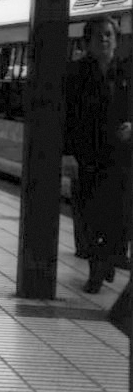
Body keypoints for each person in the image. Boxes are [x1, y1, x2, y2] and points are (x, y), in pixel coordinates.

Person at [64, 15, 132, 294]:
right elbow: (66, 117)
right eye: (98, 35)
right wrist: (67, 154)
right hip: (87, 156)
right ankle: (96, 270)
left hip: (122, 156)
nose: (104, 39)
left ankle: (110, 257)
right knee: (89, 215)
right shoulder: (75, 73)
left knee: (121, 213)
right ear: (87, 41)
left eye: (109, 35)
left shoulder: (127, 71)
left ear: (116, 40)